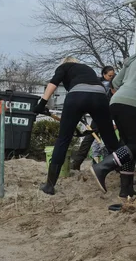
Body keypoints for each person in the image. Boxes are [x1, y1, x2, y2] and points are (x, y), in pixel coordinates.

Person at [90, 32, 136, 198]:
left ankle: (126, 189)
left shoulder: (133, 58)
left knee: (127, 146)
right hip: (131, 104)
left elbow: (116, 82)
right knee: (135, 145)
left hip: (117, 101)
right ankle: (102, 167)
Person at [33, 57, 120, 195]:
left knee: (63, 140)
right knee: (110, 139)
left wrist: (41, 104)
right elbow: (92, 91)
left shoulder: (64, 67)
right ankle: (126, 178)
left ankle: (49, 186)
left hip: (76, 96)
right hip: (100, 96)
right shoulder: (87, 69)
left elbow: (53, 83)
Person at [69, 65, 116, 170]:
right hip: (98, 114)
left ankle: (115, 167)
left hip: (108, 116)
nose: (111, 78)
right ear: (103, 74)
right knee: (89, 139)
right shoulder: (97, 84)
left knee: (110, 142)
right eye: (109, 76)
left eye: (113, 76)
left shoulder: (115, 85)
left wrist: (114, 121)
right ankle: (76, 164)